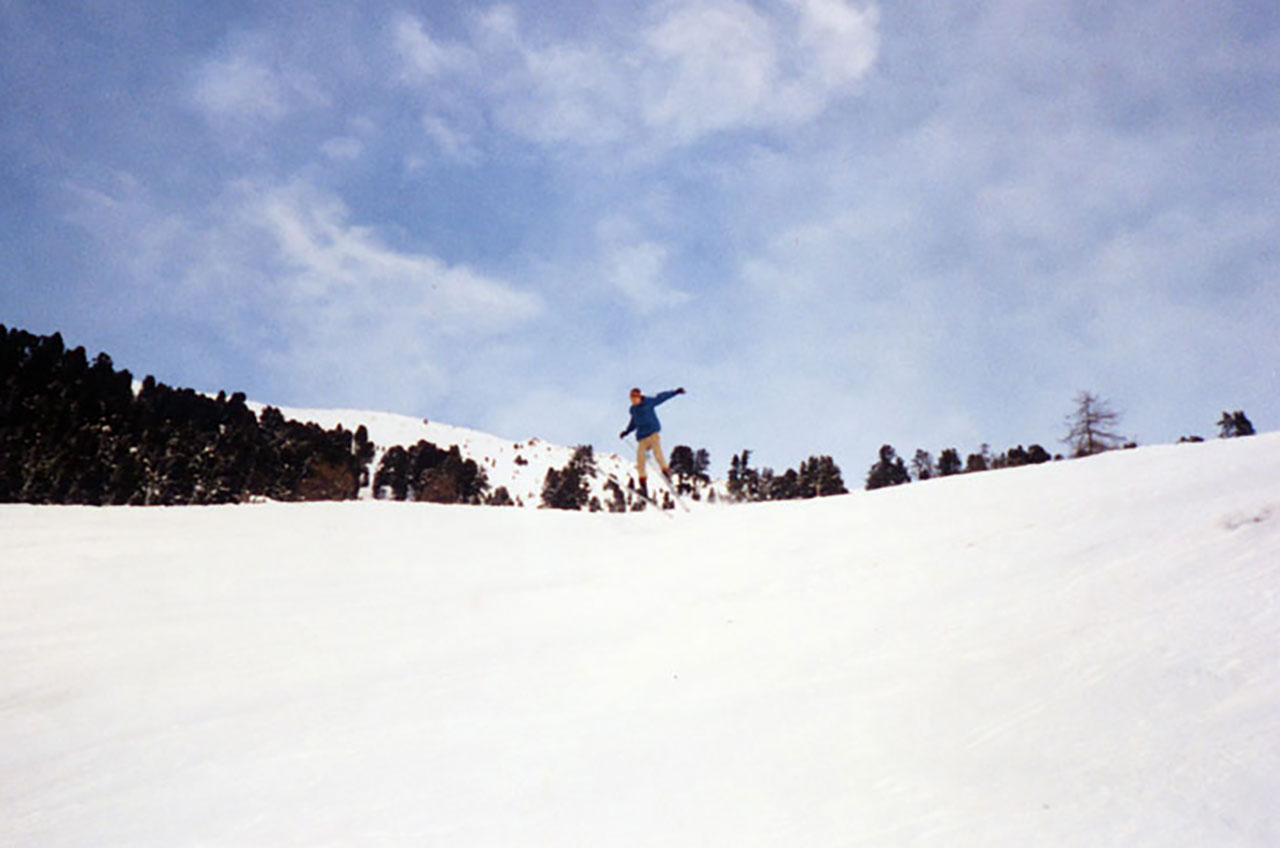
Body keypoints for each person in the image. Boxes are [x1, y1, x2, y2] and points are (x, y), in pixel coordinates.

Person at [619, 386, 685, 493]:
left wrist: (675, 392)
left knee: (657, 454)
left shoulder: (648, 402)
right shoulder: (633, 410)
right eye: (631, 399)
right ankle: (643, 486)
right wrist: (626, 431)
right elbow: (634, 422)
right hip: (642, 438)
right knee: (640, 461)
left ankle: (666, 472)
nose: (634, 401)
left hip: (653, 434)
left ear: (639, 397)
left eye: (635, 398)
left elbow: (661, 397)